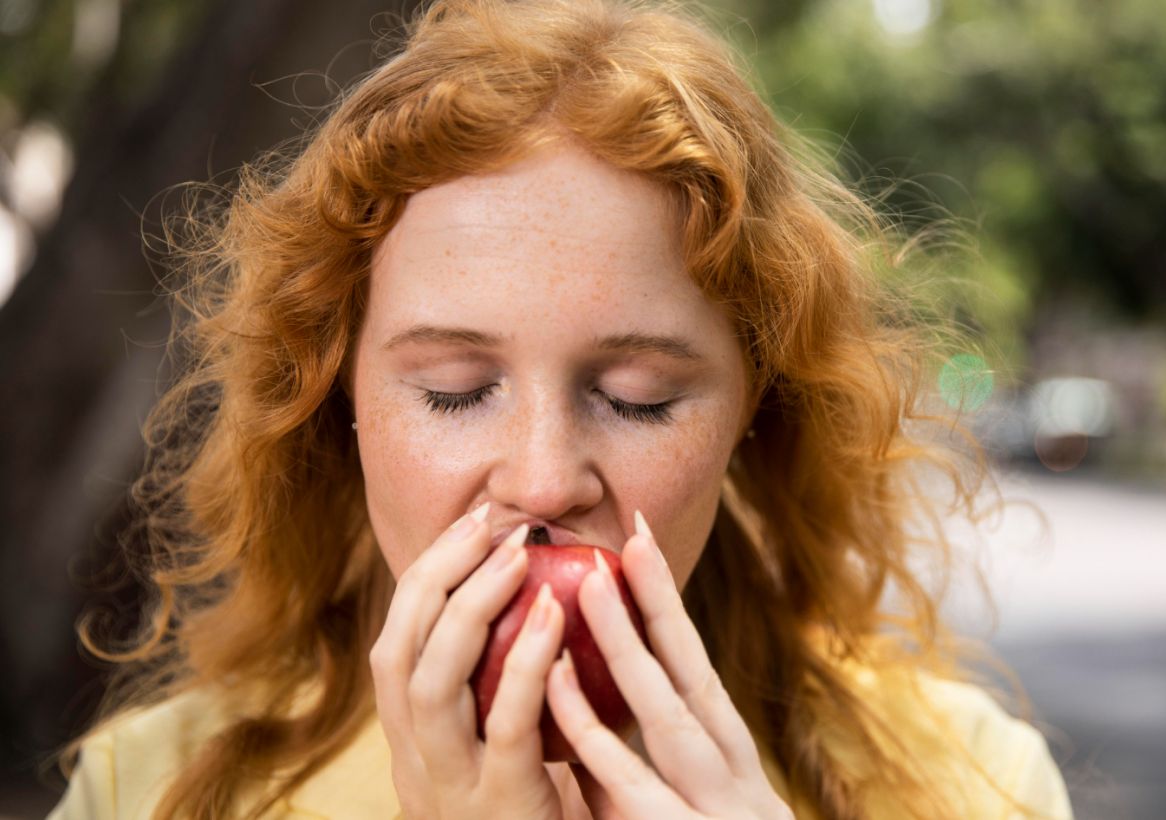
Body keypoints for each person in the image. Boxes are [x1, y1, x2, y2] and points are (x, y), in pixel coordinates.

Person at [50, 0, 1073, 817]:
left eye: (637, 400)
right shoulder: (147, 791)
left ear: (752, 413)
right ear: (335, 403)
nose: (543, 483)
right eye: (454, 390)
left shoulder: (972, 785)